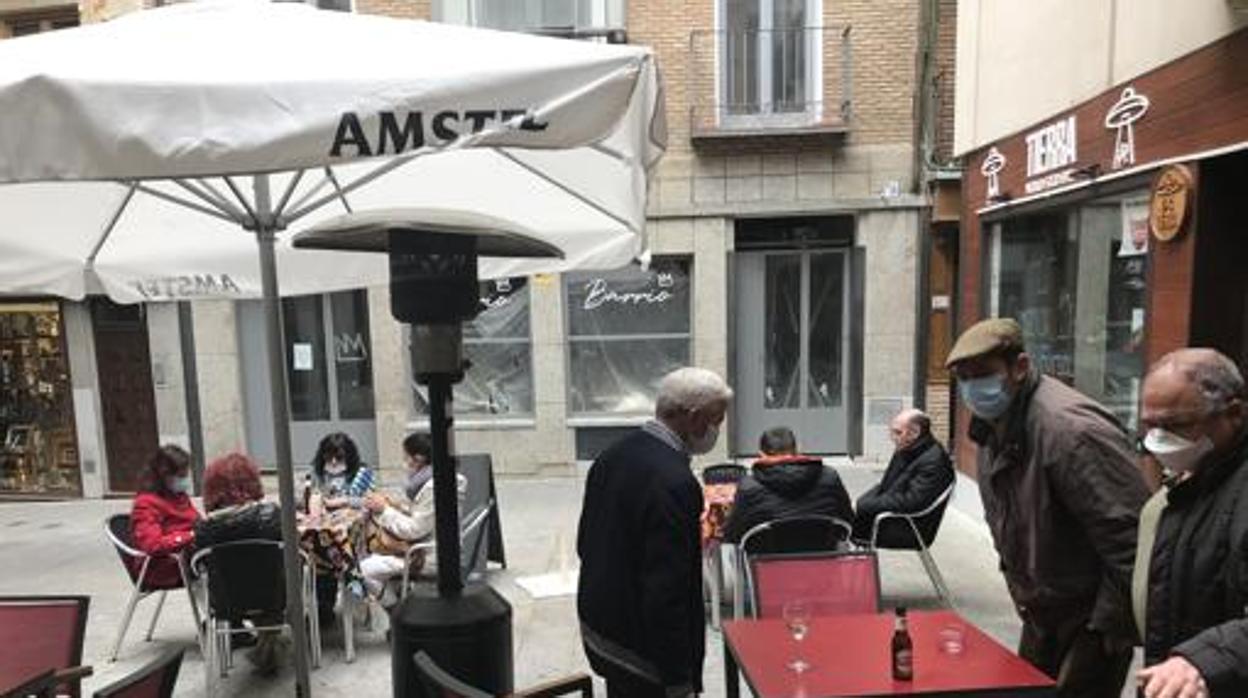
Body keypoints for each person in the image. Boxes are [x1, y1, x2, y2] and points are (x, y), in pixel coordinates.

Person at [946, 318, 1148, 697]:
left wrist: (1107, 626)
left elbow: (1132, 538)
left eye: (984, 375)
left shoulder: (1070, 431)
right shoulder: (993, 424)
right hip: (1042, 611)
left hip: (1089, 617)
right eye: (965, 378)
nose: (974, 388)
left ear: (1020, 367)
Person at [577, 367, 732, 698]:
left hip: (602, 628)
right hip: (641, 651)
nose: (716, 430)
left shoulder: (611, 455)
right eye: (716, 420)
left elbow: (585, 542)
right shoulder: (675, 482)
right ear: (693, 418)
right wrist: (679, 679)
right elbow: (667, 590)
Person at [1134, 349, 1248, 698]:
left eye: (1175, 425)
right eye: (1150, 425)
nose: (1158, 439)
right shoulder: (1192, 479)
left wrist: (1201, 662)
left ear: (1234, 414)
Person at [194, 453, 284, 675]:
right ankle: (269, 644)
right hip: (277, 598)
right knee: (284, 571)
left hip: (226, 603)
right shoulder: (272, 516)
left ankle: (262, 646)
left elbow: (199, 567)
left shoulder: (204, 530)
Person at [359, 433, 466, 610]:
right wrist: (394, 506)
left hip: (427, 555)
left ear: (418, 459)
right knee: (373, 559)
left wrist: (384, 510)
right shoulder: (438, 479)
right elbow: (424, 516)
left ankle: (397, 613)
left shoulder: (435, 485)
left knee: (360, 570)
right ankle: (403, 607)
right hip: (429, 548)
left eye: (406, 458)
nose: (405, 464)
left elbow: (415, 529)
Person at [721, 426, 853, 544]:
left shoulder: (748, 486)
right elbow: (848, 520)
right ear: (796, 451)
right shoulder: (830, 477)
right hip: (823, 558)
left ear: (761, 455)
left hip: (765, 565)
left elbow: (732, 535)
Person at [851, 409, 954, 545]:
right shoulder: (908, 448)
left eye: (898, 432)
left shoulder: (934, 461)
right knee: (838, 519)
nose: (892, 438)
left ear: (915, 432)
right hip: (893, 518)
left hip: (909, 527)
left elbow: (912, 501)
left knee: (838, 529)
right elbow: (887, 484)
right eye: (892, 431)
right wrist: (862, 502)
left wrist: (866, 505)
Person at [130, 444, 200, 588]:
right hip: (161, 568)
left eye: (186, 474)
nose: (185, 479)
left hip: (186, 557)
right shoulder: (145, 504)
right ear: (164, 475)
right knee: (221, 564)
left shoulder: (179, 496)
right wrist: (190, 536)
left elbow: (195, 521)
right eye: (181, 475)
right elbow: (153, 544)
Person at [306, 432, 374, 510]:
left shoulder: (362, 473)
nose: (333, 461)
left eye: (339, 457)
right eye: (328, 457)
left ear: (349, 456)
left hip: (353, 517)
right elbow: (303, 497)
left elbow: (371, 501)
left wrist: (345, 501)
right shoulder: (315, 472)